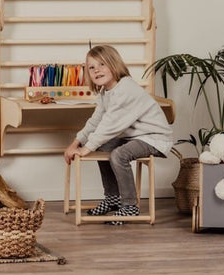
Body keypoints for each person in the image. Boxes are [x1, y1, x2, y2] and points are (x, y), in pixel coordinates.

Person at [63, 45, 173, 225]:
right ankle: (112, 198)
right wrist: (76, 143)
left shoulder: (125, 89)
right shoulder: (106, 92)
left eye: (102, 64)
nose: (96, 70)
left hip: (154, 137)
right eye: (91, 67)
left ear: (114, 65)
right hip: (136, 136)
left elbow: (109, 125)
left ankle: (130, 206)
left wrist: (86, 148)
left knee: (118, 154)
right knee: (102, 145)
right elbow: (95, 121)